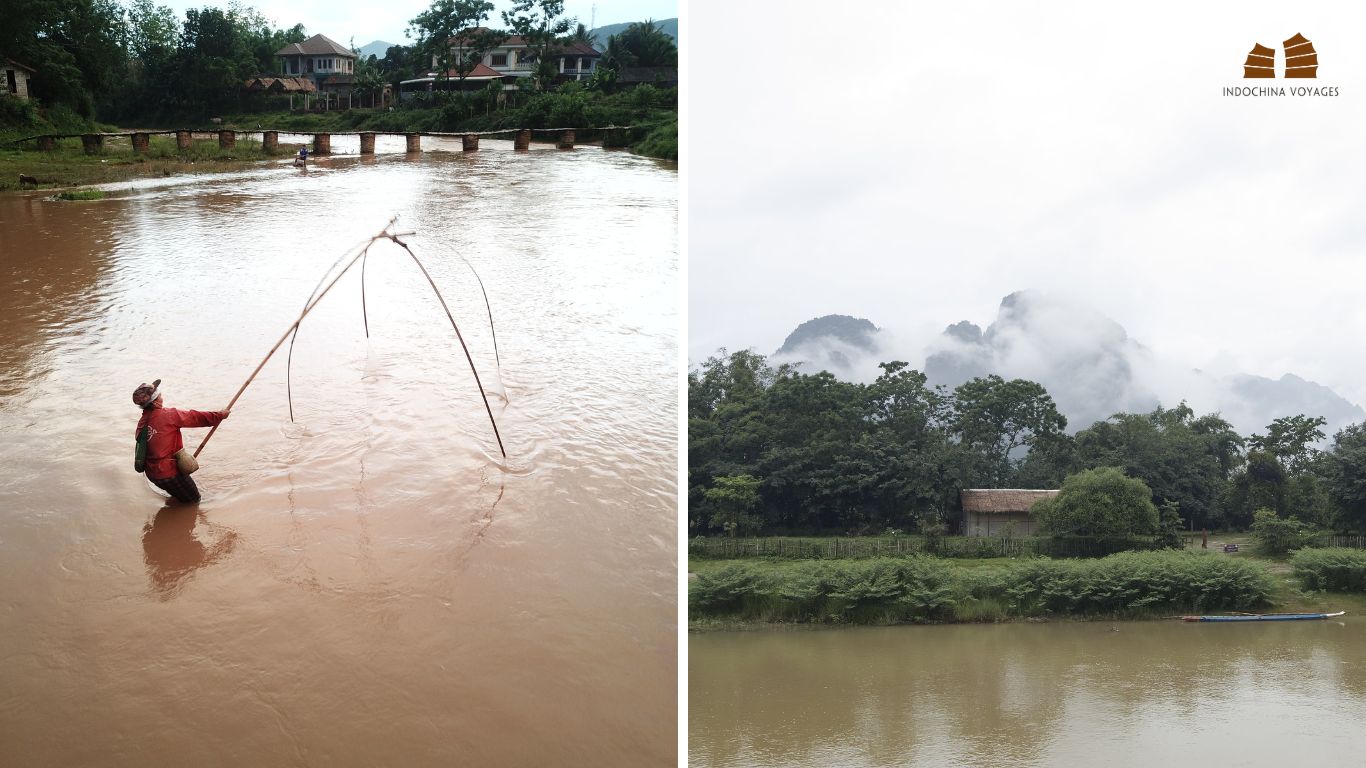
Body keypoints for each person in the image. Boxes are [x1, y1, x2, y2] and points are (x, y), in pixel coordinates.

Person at [132, 379, 230, 503]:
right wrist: (220, 415)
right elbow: (195, 417)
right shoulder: (168, 415)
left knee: (179, 494)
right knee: (194, 500)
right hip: (168, 474)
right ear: (155, 402)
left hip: (152, 475)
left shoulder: (142, 422)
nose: (162, 398)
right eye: (160, 396)